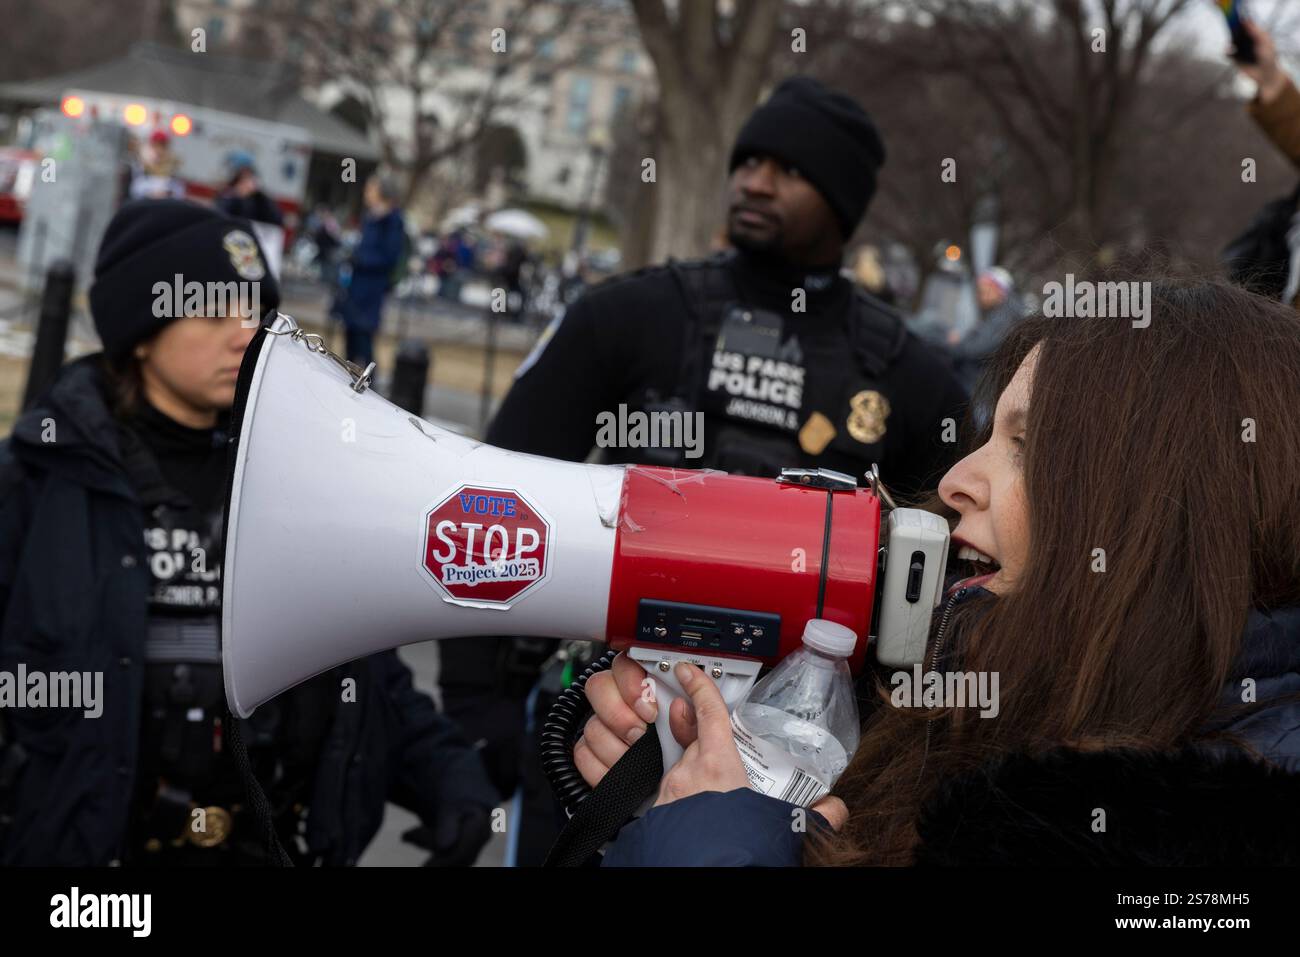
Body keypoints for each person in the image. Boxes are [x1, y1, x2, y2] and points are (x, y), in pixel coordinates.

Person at [578, 277, 1300, 866]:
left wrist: (707, 855)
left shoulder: (1194, 852)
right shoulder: (979, 714)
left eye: (1030, 445)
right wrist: (700, 793)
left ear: (1164, 514)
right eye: (990, 434)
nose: (956, 479)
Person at [439, 76, 968, 864]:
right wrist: (474, 700)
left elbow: (949, 593)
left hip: (789, 770)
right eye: (749, 159)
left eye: (789, 169)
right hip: (600, 721)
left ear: (844, 200)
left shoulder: (912, 384)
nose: (754, 179)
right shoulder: (629, 316)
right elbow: (489, 497)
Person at [0, 199, 496, 866]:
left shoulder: (303, 480)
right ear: (138, 332)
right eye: (213, 311)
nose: (246, 334)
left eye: (255, 311)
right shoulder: (38, 480)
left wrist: (451, 780)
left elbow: (361, 670)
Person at [338, 174, 406, 366]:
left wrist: (361, 259)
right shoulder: (370, 218)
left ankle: (369, 382)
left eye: (371, 189)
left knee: (364, 338)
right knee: (350, 337)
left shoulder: (393, 220)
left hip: (372, 288)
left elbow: (389, 256)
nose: (366, 193)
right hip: (356, 285)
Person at [947, 266, 1024, 394]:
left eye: (984, 290)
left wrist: (956, 344)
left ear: (999, 290)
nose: (980, 296)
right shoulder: (1003, 313)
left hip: (981, 389)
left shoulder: (1006, 317)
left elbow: (978, 348)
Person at [214, 151, 283, 227]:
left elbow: (277, 219)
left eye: (249, 176)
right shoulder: (227, 195)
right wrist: (238, 196)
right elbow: (220, 214)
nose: (247, 181)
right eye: (242, 177)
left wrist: (260, 196)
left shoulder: (259, 198)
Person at [128, 130, 186, 201]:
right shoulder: (143, 165)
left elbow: (179, 192)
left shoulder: (174, 165)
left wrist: (166, 194)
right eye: (156, 145)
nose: (159, 150)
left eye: (162, 145)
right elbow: (136, 190)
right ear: (152, 145)